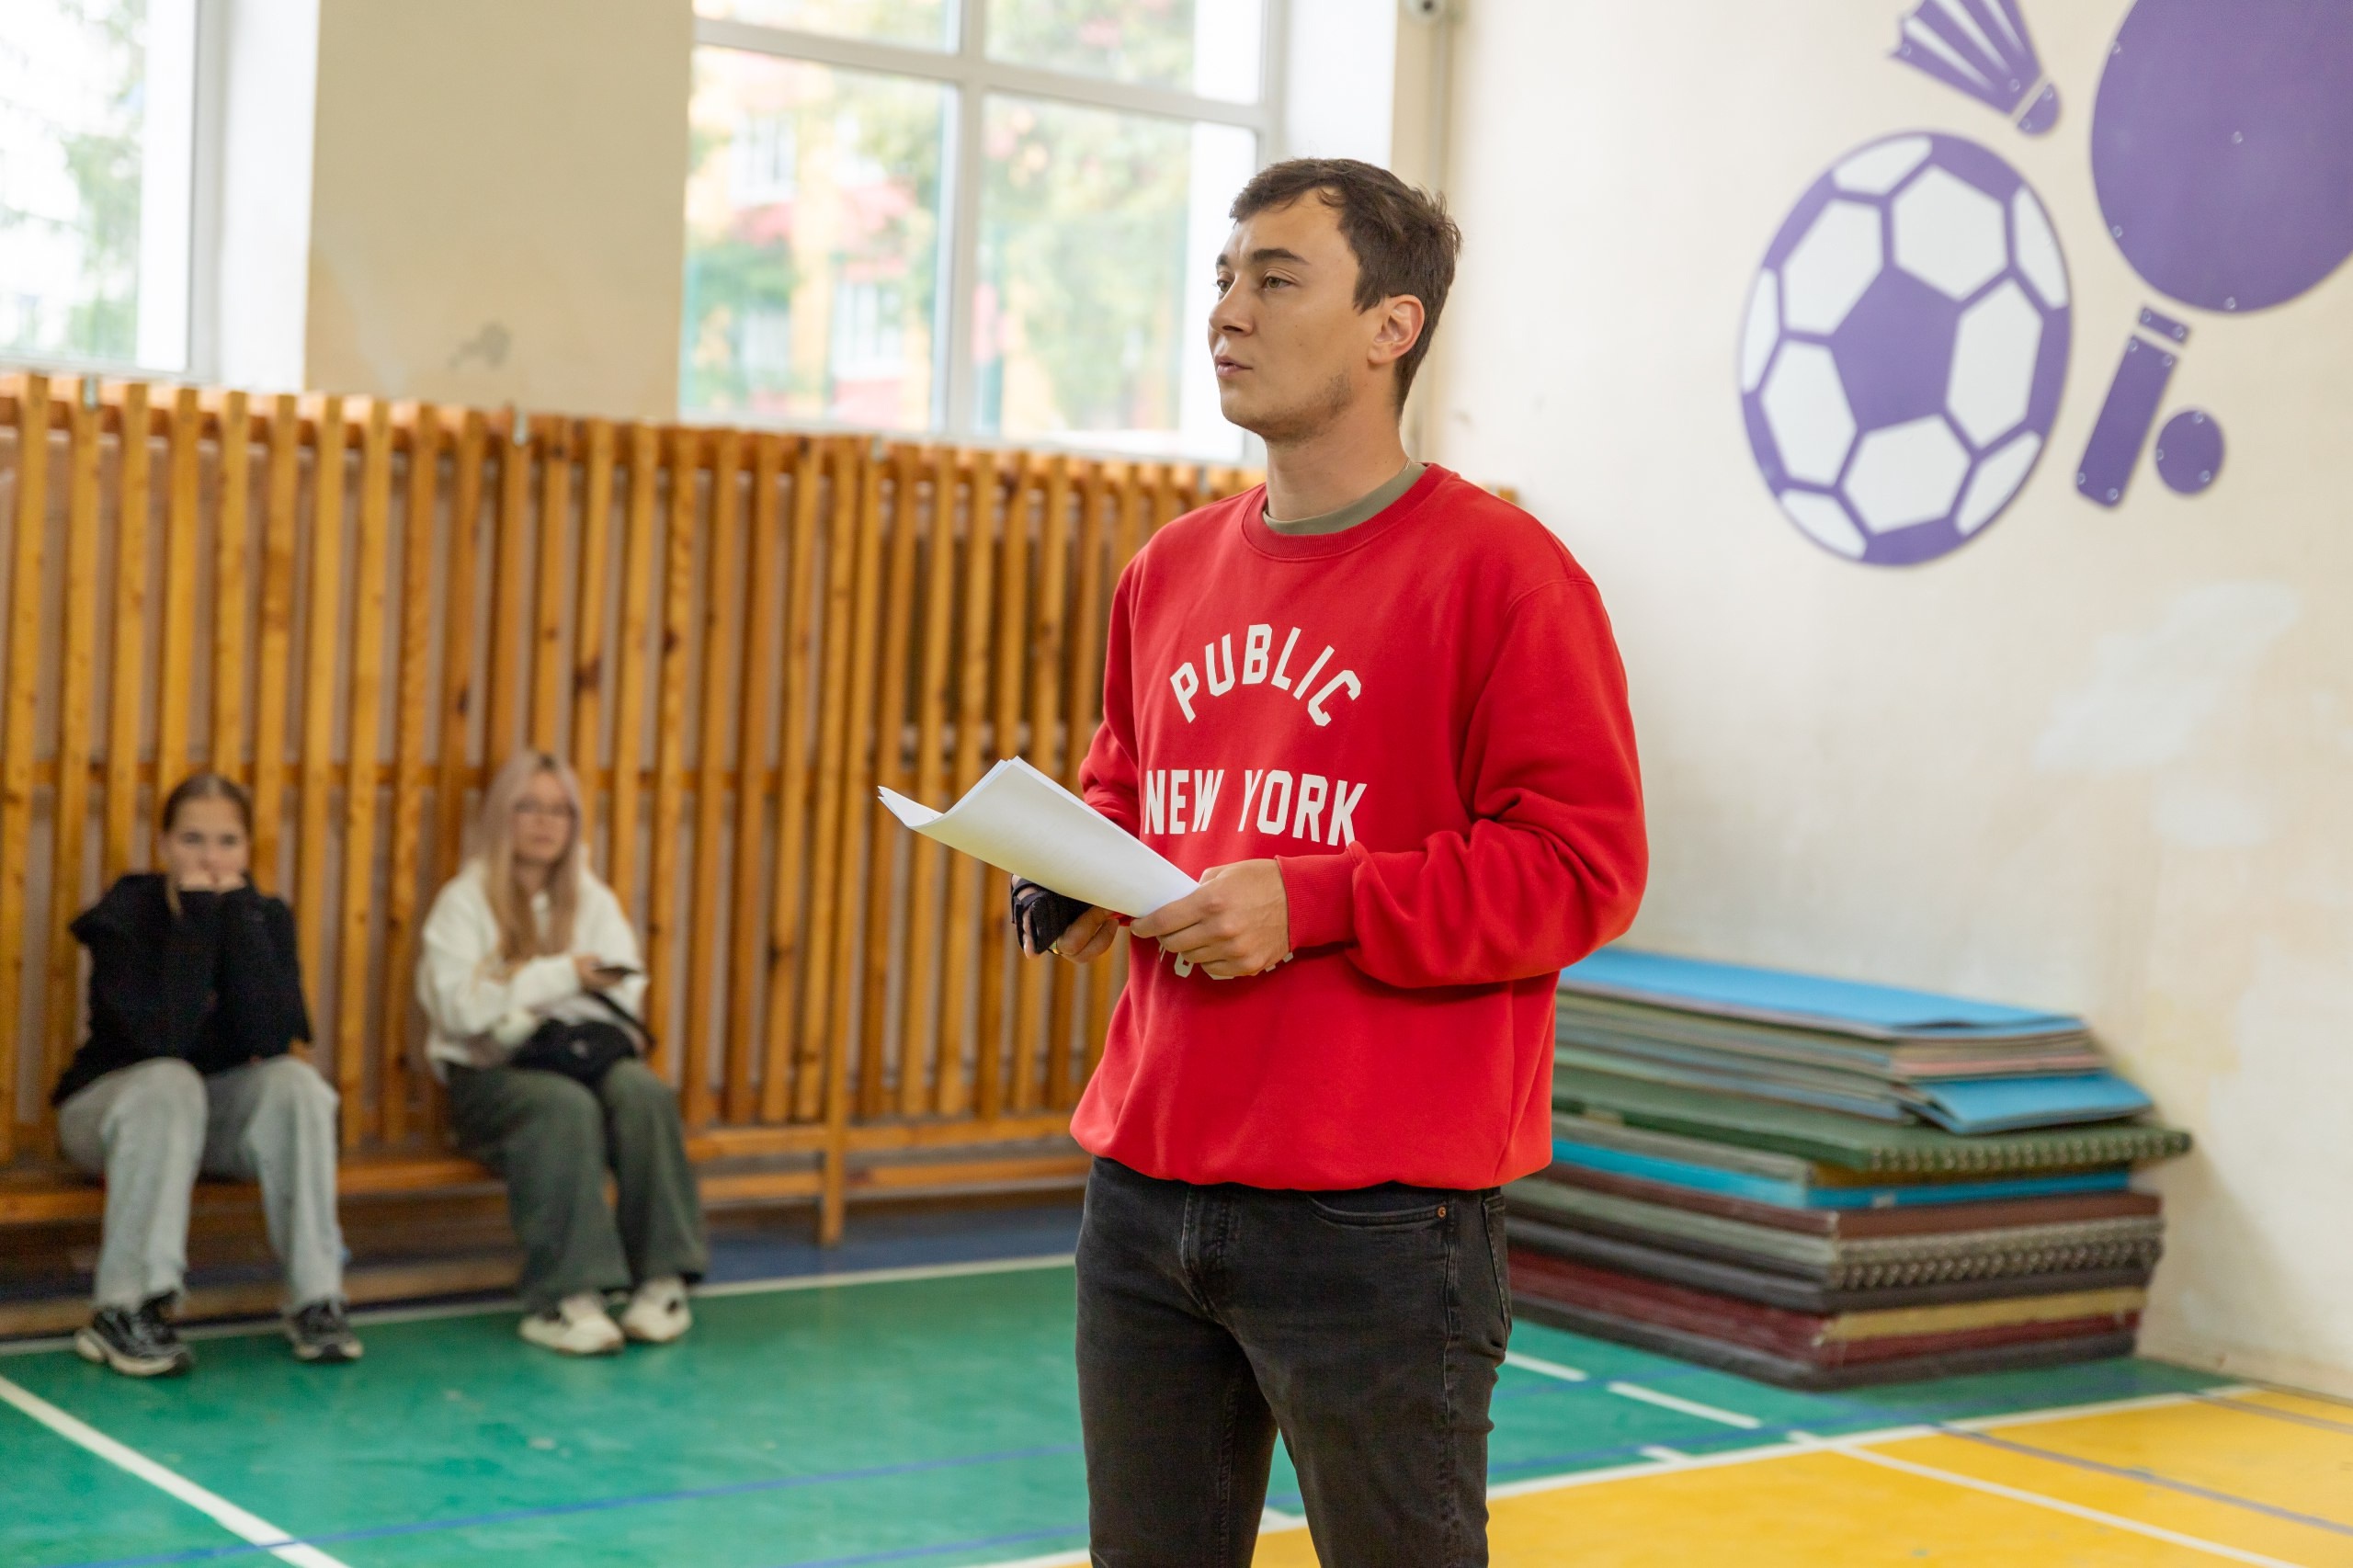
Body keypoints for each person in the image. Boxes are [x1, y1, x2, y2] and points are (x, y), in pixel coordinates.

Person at [1030, 159, 1648, 1564]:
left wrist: (1313, 902)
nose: (1227, 312)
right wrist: (1073, 865)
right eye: (1223, 278)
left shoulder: (1506, 576)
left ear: (1391, 325)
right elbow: (1130, 783)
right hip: (1144, 1191)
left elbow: (1581, 869)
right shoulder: (1168, 570)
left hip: (1378, 1218)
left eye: (1276, 278)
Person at [54, 772, 360, 1376]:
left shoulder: (261, 917)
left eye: (227, 842)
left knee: (297, 1084)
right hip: (112, 1114)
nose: (210, 858)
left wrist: (236, 926)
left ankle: (317, 1297)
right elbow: (158, 1039)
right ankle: (125, 1307)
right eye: (193, 840)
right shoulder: (127, 914)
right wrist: (197, 924)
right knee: (171, 1080)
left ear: (246, 851)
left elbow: (274, 1038)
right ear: (165, 844)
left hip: (205, 1122)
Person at [416, 752, 706, 1356]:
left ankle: (662, 1283)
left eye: (560, 810)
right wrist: (564, 976)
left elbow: (624, 990)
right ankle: (565, 1297)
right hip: (490, 1080)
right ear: (502, 815)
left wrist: (519, 993)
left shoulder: (591, 898)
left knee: (642, 1090)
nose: (546, 822)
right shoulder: (463, 902)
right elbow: (461, 1012)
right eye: (529, 807)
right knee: (561, 1106)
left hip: (583, 1062)